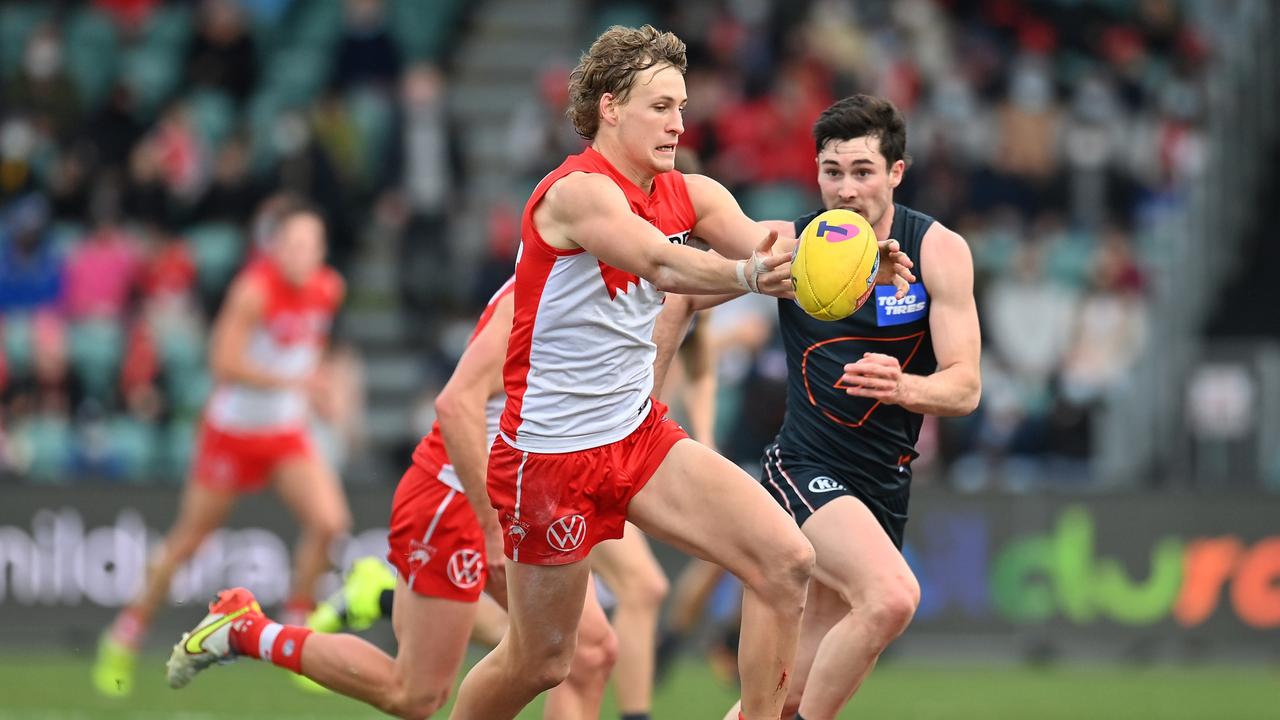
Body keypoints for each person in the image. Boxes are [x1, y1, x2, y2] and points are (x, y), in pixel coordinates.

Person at [447, 26, 913, 720]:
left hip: (637, 439)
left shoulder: (688, 191)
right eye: (661, 106)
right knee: (541, 660)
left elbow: (770, 236)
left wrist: (856, 248)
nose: (679, 123)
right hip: (551, 458)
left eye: (683, 106)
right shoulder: (574, 194)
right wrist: (747, 274)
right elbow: (661, 263)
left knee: (785, 561)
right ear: (610, 107)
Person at [164, 277, 619, 719]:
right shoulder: (539, 294)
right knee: (417, 694)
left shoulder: (613, 286)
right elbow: (455, 405)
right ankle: (248, 632)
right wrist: (494, 528)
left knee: (585, 652)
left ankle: (375, 596)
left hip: (526, 498)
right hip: (459, 498)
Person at [751, 94, 982, 720]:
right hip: (803, 465)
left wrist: (903, 386)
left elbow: (965, 387)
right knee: (891, 597)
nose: (845, 188)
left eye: (862, 171)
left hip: (884, 482)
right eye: (833, 172)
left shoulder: (937, 250)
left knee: (781, 695)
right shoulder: (789, 244)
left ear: (896, 173)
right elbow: (691, 286)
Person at [92, 196, 353, 696]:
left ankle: (298, 629)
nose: (304, 253)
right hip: (231, 435)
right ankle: (125, 633)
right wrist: (296, 383)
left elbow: (307, 353)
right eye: (294, 243)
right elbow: (224, 364)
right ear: (275, 247)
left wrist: (319, 389)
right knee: (189, 540)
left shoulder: (328, 289)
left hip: (283, 435)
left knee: (330, 523)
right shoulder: (253, 291)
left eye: (312, 244)